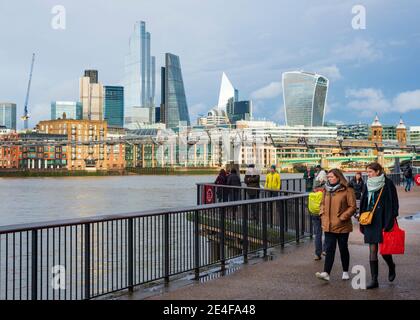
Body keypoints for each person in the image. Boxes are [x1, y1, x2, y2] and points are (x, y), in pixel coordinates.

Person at [359, 162, 399, 289]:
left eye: (370, 172)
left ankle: (391, 265)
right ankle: (374, 280)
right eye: (367, 172)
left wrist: (391, 219)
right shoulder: (367, 184)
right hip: (370, 219)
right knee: (373, 249)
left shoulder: (388, 184)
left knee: (384, 250)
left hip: (383, 219)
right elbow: (364, 201)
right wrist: (361, 217)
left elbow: (394, 203)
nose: (368, 174)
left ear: (377, 171)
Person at [315, 169, 356, 282]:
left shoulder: (347, 189)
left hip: (342, 226)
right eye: (328, 177)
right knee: (329, 249)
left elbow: (352, 206)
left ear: (338, 177)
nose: (329, 179)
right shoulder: (326, 190)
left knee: (343, 248)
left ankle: (345, 271)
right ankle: (326, 273)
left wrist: (342, 217)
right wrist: (322, 214)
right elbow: (322, 204)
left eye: (332, 177)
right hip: (328, 225)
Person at [308, 186, 325, 260]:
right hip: (324, 215)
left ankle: (317, 254)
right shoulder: (324, 194)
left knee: (318, 234)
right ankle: (325, 250)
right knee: (327, 232)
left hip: (314, 214)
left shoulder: (312, 195)